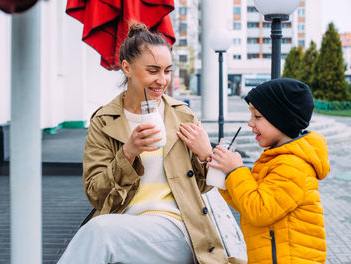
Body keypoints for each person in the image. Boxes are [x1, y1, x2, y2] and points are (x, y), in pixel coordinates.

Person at [57, 23, 242, 264]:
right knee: (101, 231)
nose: (162, 80)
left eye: (167, 71)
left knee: (98, 232)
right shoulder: (104, 122)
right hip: (122, 221)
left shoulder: (182, 116)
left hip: (176, 225)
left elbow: (203, 188)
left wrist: (205, 155)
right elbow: (96, 195)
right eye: (153, 71)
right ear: (127, 68)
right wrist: (128, 153)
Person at [209, 78, 330, 264]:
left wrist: (235, 170)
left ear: (281, 120)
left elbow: (259, 211)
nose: (250, 123)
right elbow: (247, 203)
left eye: (257, 117)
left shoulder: (293, 165)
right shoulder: (276, 158)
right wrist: (224, 174)